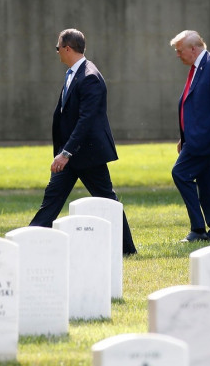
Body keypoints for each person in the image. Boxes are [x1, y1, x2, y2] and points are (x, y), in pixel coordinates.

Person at [29, 28, 137, 255]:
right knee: (52, 198)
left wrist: (66, 152)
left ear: (67, 48)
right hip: (71, 154)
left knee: (107, 200)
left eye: (58, 47)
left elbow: (87, 120)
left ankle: (127, 249)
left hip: (87, 154)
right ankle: (31, 240)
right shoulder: (74, 74)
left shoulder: (89, 77)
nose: (57, 52)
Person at [169, 30, 210, 242]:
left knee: (180, 173)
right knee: (208, 185)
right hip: (196, 137)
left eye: (179, 51)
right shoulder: (197, 68)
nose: (177, 55)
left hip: (206, 139)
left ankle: (198, 229)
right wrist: (185, 136)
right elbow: (195, 107)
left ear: (193, 48)